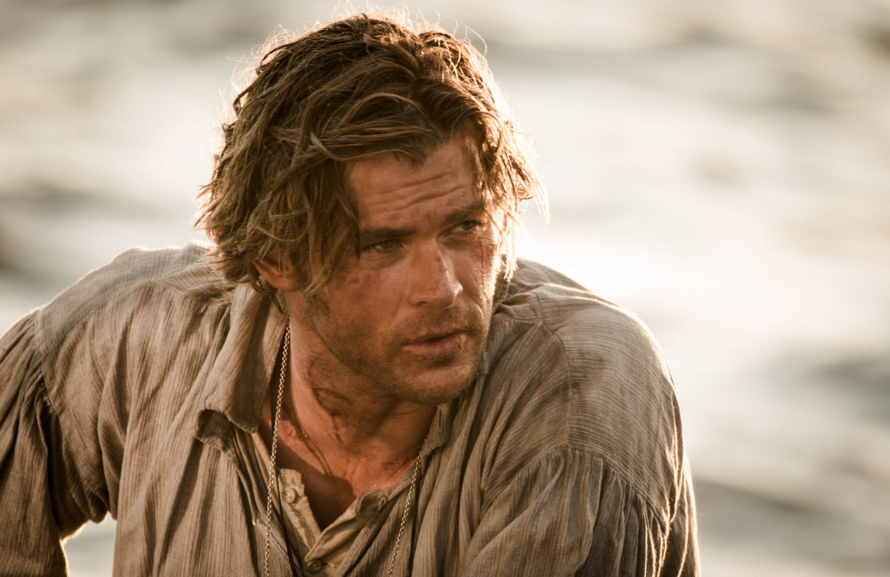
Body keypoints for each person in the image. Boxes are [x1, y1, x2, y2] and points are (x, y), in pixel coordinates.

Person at [0, 13, 698, 577]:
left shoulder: (582, 395)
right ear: (278, 257)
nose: (444, 288)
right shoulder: (140, 340)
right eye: (383, 245)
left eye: (464, 227)